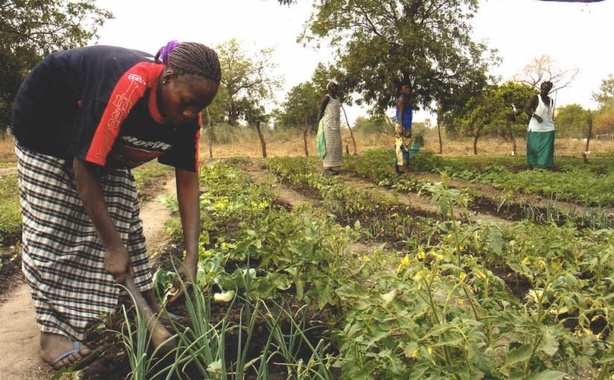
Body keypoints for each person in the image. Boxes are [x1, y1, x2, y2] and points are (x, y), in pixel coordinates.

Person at [11, 41, 221, 370]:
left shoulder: (187, 116)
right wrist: (111, 246)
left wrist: (192, 256)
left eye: (200, 107)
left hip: (99, 134)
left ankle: (145, 308)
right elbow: (84, 169)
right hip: (46, 122)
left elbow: (188, 180)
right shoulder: (127, 87)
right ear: (167, 79)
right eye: (186, 103)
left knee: (123, 216)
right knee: (57, 223)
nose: (191, 113)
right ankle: (53, 333)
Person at [525, 81, 556, 169]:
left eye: (546, 89)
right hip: (535, 127)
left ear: (549, 90)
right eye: (542, 89)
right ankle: (530, 164)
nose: (544, 91)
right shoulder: (535, 98)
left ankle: (546, 165)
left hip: (548, 127)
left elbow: (549, 114)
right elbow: (527, 109)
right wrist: (535, 116)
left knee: (547, 148)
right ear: (540, 88)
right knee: (532, 146)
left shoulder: (551, 100)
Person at [316, 80, 343, 175]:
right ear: (328, 88)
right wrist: (318, 126)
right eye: (332, 86)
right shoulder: (326, 98)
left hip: (336, 124)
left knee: (336, 146)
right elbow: (321, 111)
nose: (334, 88)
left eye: (335, 86)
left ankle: (334, 165)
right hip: (327, 125)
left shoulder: (337, 99)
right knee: (328, 146)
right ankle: (327, 167)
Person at [394, 82, 413, 174]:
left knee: (405, 146)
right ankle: (404, 168)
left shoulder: (406, 99)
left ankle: (400, 168)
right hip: (402, 126)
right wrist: (401, 127)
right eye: (405, 88)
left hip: (406, 125)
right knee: (402, 146)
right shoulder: (402, 99)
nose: (408, 89)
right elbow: (400, 114)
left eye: (408, 88)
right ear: (401, 90)